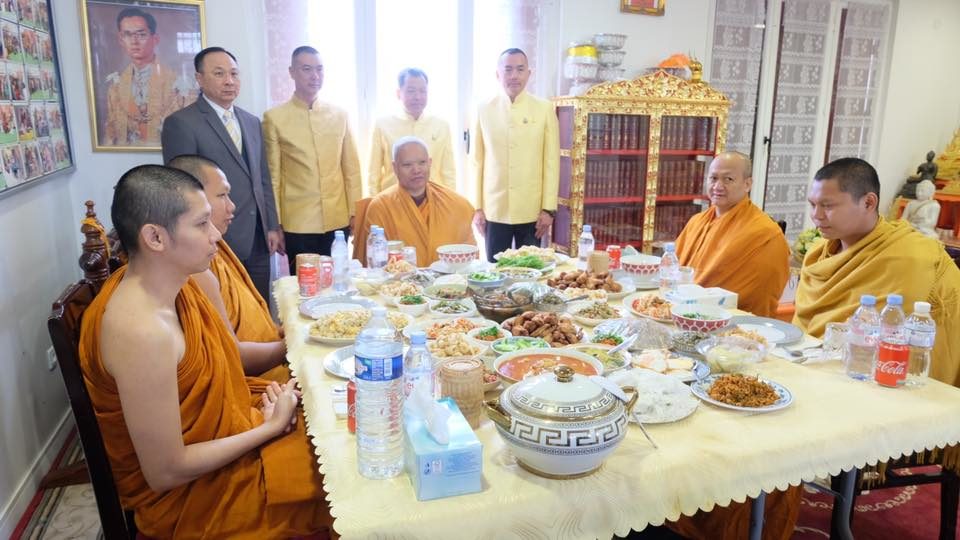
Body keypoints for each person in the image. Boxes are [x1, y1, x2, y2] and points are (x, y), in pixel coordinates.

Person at [78, 165, 331, 538]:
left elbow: (221, 377)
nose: (215, 235)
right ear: (155, 237)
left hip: (227, 439)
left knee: (329, 422)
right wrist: (270, 427)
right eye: (201, 225)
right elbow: (166, 472)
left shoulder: (175, 287)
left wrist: (264, 412)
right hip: (196, 496)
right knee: (335, 477)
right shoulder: (141, 331)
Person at [795, 157, 960, 386]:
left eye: (828, 206)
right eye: (812, 205)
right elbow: (801, 332)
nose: (816, 215)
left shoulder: (909, 257)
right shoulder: (818, 253)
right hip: (808, 367)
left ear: (868, 203)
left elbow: (883, 340)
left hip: (890, 382)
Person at [162, 46, 282, 303]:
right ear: (199, 78)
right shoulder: (181, 123)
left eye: (234, 74)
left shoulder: (251, 121)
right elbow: (181, 189)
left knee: (258, 305)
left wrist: (272, 225)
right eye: (219, 73)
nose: (229, 81)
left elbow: (262, 177)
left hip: (258, 237)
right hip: (215, 238)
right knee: (224, 308)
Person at [167, 154, 289, 384]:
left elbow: (253, 322)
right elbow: (234, 356)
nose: (232, 206)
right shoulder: (195, 268)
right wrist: (293, 345)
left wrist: (286, 333)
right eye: (222, 195)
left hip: (270, 357)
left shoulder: (216, 249)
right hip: (259, 381)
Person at [263, 45, 361, 273]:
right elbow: (273, 177)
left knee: (338, 280)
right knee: (305, 285)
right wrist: (275, 224)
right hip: (297, 222)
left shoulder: (340, 115)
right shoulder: (274, 118)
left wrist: (356, 212)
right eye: (306, 69)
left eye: (319, 69)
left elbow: (351, 170)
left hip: (337, 219)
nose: (315, 76)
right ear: (292, 72)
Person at [674, 151, 790, 318]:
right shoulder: (696, 221)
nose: (718, 186)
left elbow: (761, 294)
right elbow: (673, 269)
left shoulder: (765, 233)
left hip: (732, 321)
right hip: (681, 311)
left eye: (728, 179)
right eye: (713, 178)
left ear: (747, 184)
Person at [472, 48, 559, 262]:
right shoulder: (484, 109)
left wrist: (548, 209)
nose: (514, 76)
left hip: (532, 210)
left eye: (520, 70)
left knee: (530, 271)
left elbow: (551, 162)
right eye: (508, 69)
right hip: (494, 207)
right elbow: (476, 161)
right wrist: (477, 208)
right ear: (498, 74)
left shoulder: (544, 108)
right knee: (494, 271)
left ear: (529, 74)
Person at [354, 136, 476, 267]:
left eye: (422, 163)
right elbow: (374, 267)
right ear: (395, 167)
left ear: (430, 163)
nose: (416, 170)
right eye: (407, 165)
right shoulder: (381, 207)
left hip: (449, 278)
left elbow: (471, 261)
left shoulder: (455, 204)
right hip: (399, 279)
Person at [103, 7, 188, 147]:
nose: (134, 41)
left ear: (155, 39)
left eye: (141, 34)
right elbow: (110, 135)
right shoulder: (115, 88)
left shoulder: (177, 83)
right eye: (127, 35)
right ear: (121, 40)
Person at [367, 68, 456, 195]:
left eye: (422, 91)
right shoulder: (382, 125)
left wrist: (450, 200)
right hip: (392, 199)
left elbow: (448, 172)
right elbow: (373, 173)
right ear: (399, 93)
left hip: (432, 198)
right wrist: (373, 201)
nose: (417, 97)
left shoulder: (441, 126)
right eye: (411, 91)